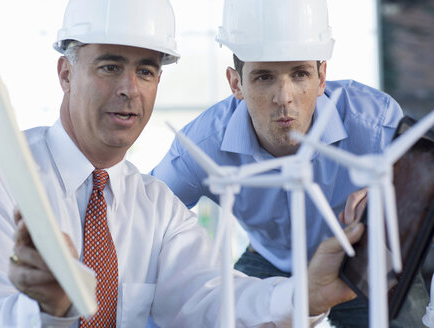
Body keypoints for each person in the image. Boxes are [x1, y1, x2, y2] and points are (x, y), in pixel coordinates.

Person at [0, 0, 366, 327]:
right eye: (110, 66)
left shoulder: (156, 208)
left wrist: (306, 295)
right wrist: (48, 311)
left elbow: (215, 301)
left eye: (145, 71)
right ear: (66, 74)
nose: (129, 89)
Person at [151, 0, 429, 327]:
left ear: (322, 76)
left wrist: (392, 202)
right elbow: (146, 220)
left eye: (299, 74)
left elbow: (425, 199)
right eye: (264, 77)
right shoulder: (200, 147)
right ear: (235, 83)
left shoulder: (376, 124)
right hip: (269, 263)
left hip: (359, 261)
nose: (284, 97)